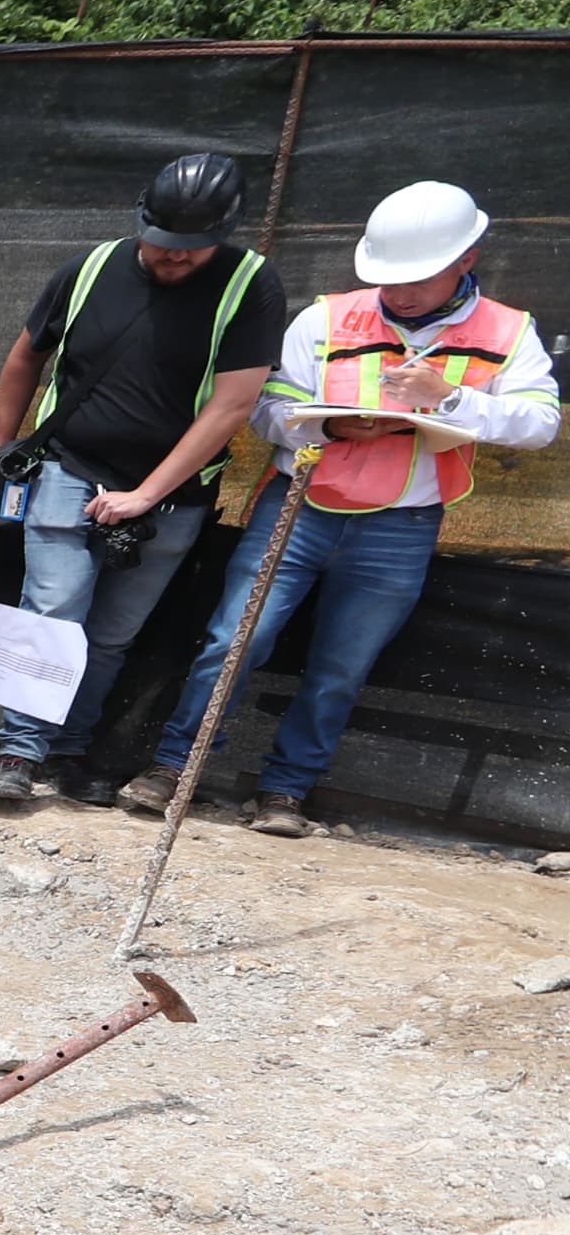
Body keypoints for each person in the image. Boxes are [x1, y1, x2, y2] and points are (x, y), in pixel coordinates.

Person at [118, 181, 555, 837]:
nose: (399, 293)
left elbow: (540, 423)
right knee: (237, 638)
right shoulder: (327, 317)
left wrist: (450, 399)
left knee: (341, 668)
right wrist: (328, 429)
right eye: (389, 277)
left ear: (467, 259)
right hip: (298, 508)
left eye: (418, 277)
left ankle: (284, 793)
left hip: (402, 525)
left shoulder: (508, 331)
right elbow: (268, 407)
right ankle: (173, 768)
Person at [0, 152, 283, 809]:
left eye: (193, 251)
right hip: (68, 469)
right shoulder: (89, 268)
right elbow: (26, 354)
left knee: (112, 634)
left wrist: (148, 493)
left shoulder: (250, 284)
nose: (175, 259)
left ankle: (70, 748)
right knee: (54, 609)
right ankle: (20, 749)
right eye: (164, 245)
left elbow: (231, 405)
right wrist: (4, 446)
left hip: (171, 497)